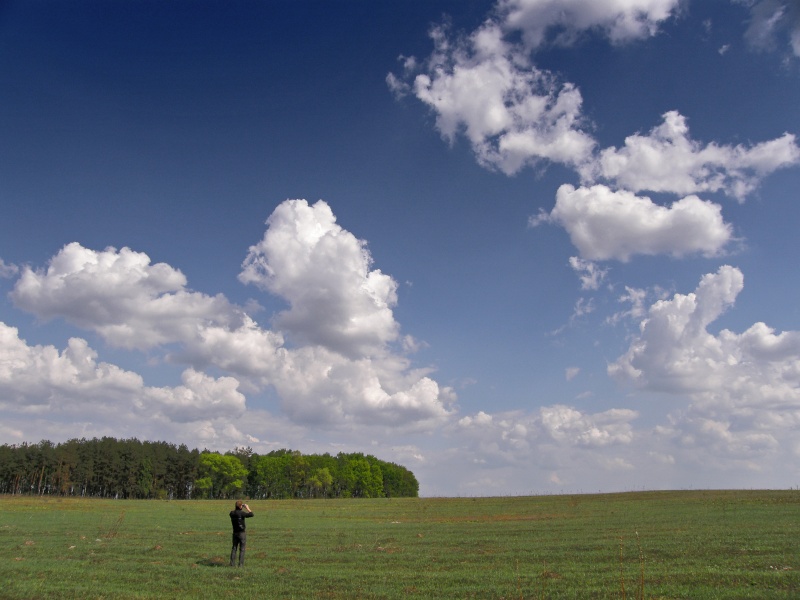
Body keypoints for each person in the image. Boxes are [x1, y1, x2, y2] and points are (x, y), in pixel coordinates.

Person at [229, 500, 254, 567]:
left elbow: (235, 511)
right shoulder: (242, 513)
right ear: (240, 506)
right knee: (242, 549)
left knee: (234, 548)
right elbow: (251, 514)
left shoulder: (231, 513)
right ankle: (240, 564)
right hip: (241, 533)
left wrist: (239, 506)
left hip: (235, 533)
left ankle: (232, 564)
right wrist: (247, 508)